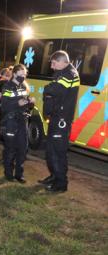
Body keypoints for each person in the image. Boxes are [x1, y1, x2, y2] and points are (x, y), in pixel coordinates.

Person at [38, 50, 80, 192]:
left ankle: (61, 183)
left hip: (61, 119)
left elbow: (53, 89)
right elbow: (52, 91)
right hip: (56, 118)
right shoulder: (62, 73)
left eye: (54, 63)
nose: (52, 67)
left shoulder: (70, 74)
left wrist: (47, 90)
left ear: (63, 61)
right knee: (50, 150)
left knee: (58, 152)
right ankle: (54, 176)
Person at [0, 64, 35, 182]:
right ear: (14, 74)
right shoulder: (7, 87)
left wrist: (30, 102)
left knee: (22, 148)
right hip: (10, 121)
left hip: (22, 121)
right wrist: (17, 104)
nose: (23, 76)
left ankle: (19, 174)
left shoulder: (23, 87)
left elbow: (26, 104)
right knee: (10, 148)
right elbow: (4, 106)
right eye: (21, 74)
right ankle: (8, 173)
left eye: (25, 74)